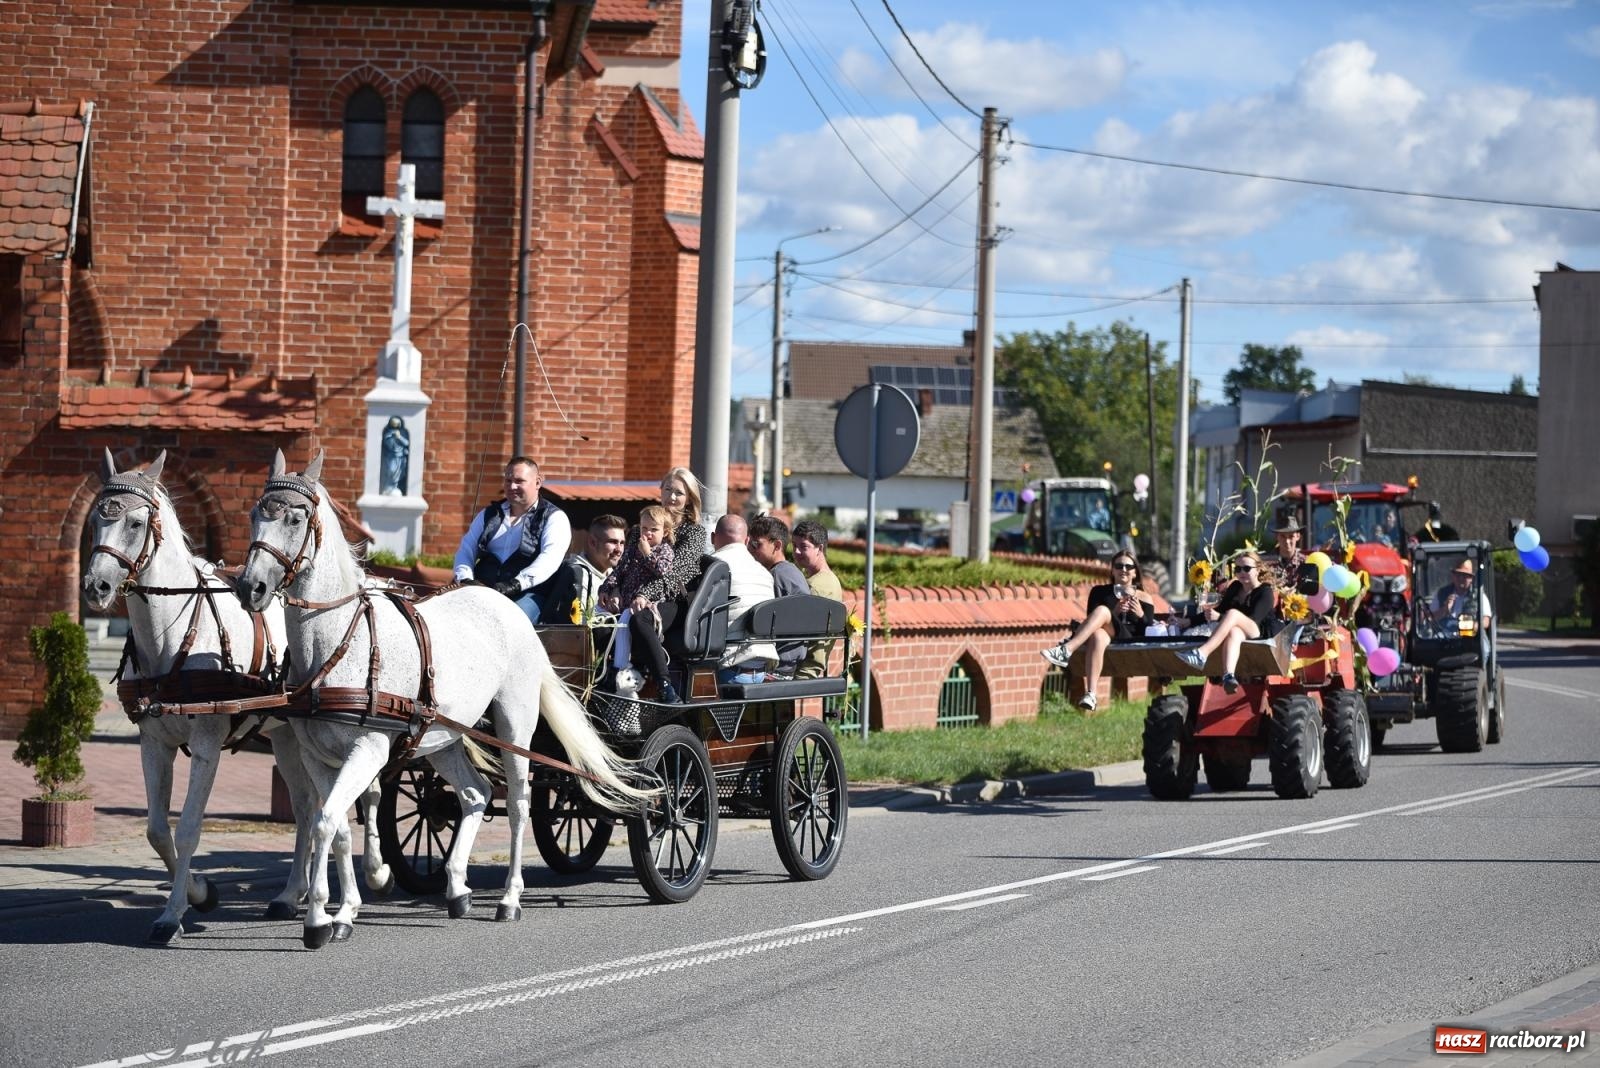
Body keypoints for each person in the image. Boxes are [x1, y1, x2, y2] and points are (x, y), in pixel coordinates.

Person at [608, 467, 709, 702]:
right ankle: (607, 676)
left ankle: (665, 684)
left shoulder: (694, 533)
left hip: (672, 598)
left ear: (689, 499)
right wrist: (610, 588)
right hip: (633, 594)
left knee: (641, 618)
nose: (672, 497)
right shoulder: (639, 529)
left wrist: (645, 594)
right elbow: (622, 565)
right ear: (661, 492)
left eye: (679, 493)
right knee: (600, 622)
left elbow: (674, 574)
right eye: (668, 490)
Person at [453, 456, 571, 624]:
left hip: (529, 594)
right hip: (482, 591)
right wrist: (465, 579)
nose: (512, 486)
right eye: (508, 481)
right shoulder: (489, 514)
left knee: (507, 622)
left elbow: (549, 560)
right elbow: (466, 549)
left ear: (538, 482)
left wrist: (515, 584)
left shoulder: (554, 518)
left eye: (519, 481)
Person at [1041, 549, 1156, 712]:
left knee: (1103, 611)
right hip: (1106, 634)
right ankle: (1091, 694)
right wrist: (1115, 612)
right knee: (1097, 635)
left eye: (1128, 567)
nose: (1123, 569)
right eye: (1119, 565)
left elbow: (1149, 631)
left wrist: (1141, 614)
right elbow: (1091, 622)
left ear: (1135, 573)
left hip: (1128, 636)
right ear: (1112, 570)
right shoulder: (1099, 592)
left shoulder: (1144, 598)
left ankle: (1066, 649)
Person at [599, 505, 679, 702]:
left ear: (665, 531)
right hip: (625, 600)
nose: (648, 533)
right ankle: (600, 669)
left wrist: (647, 554)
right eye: (644, 528)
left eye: (654, 529)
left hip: (646, 604)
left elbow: (662, 571)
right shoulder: (633, 550)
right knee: (599, 619)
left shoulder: (665, 550)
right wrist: (606, 589)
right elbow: (619, 571)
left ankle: (620, 669)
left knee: (626, 623)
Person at [1177, 551, 1278, 694]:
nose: (1242, 572)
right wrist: (1188, 621)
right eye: (1238, 569)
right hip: (1240, 629)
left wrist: (1220, 617)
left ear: (1258, 569)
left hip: (1259, 630)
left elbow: (1255, 619)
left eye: (1247, 568)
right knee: (1234, 631)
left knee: (1232, 614)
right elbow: (1219, 610)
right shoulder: (1235, 587)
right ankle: (1228, 676)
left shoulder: (1265, 591)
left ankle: (1202, 654)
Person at [710, 514, 779, 684]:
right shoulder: (765, 573)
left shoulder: (712, 566)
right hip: (762, 665)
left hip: (730, 665)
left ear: (712, 537)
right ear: (747, 540)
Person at [749, 513, 809, 676]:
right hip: (789, 662)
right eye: (749, 543)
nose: (750, 550)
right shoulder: (792, 572)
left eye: (756, 544)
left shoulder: (775, 576)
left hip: (776, 665)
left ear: (776, 545)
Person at [538, 513, 627, 624]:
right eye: (613, 542)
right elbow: (577, 628)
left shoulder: (616, 576)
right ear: (592, 542)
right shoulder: (576, 573)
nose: (619, 549)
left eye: (622, 543)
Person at [792, 518, 844, 679]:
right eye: (794, 546)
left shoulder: (815, 586)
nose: (797, 551)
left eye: (804, 546)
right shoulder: (830, 579)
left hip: (800, 669)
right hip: (808, 667)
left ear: (819, 548)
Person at [1431, 558, 1492, 634]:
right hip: (1443, 638)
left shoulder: (1479, 596)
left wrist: (1473, 626)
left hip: (1468, 638)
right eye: (1458, 575)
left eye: (1465, 576)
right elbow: (1430, 618)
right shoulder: (1441, 593)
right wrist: (1444, 609)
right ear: (1453, 576)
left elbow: (1486, 621)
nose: (1461, 578)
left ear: (1471, 579)